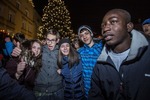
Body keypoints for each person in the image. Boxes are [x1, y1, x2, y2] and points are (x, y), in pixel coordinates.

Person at [88, 8, 150, 100]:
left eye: (113, 22)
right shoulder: (100, 65)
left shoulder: (147, 55)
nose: (105, 28)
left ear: (128, 26)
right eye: (103, 25)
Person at [34, 29, 64, 100]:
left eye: (52, 40)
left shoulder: (62, 52)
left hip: (57, 91)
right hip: (40, 91)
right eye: (48, 40)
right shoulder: (40, 50)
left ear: (57, 40)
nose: (49, 43)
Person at [77, 25, 103, 98]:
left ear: (91, 34)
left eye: (86, 33)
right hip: (86, 90)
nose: (84, 37)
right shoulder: (80, 52)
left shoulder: (101, 49)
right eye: (81, 35)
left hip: (100, 90)